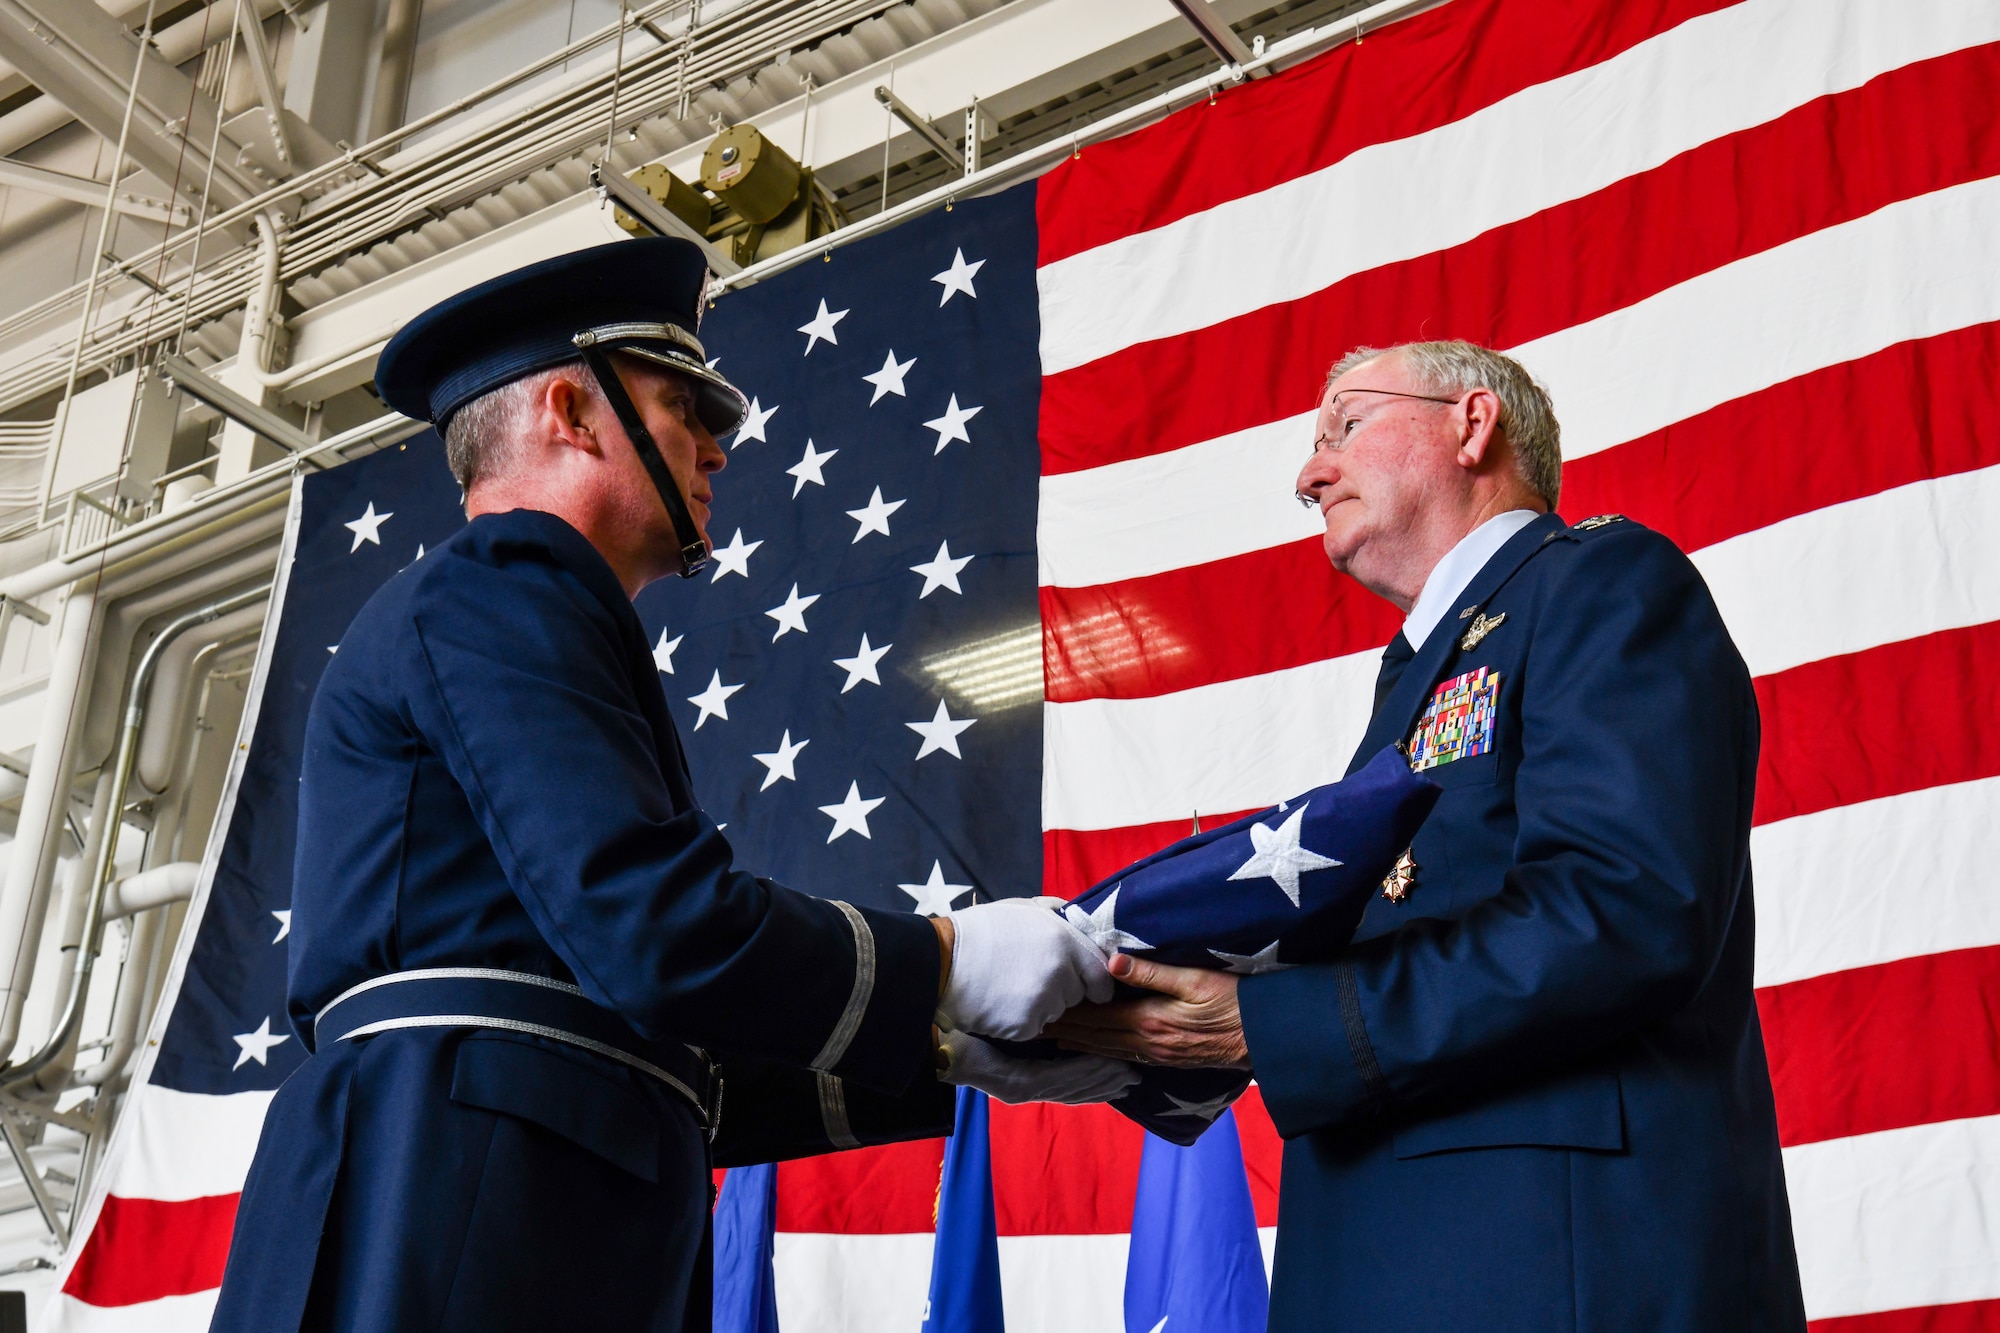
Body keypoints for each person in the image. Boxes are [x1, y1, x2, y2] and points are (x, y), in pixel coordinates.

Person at [211, 238, 1129, 1333]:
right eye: (687, 410)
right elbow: (654, 931)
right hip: (455, 1209)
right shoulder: (510, 583)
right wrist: (944, 961)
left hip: (492, 1204)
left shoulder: (509, 612)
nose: (716, 450)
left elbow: (651, 1034)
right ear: (571, 410)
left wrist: (945, 1052)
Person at [1050, 341, 1808, 1331]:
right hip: (1403, 1262)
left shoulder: (1599, 582)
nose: (1309, 472)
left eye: (1346, 426)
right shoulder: (1417, 676)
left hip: (1548, 1272)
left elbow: (1623, 907)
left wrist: (1273, 1023)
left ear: (1470, 422)